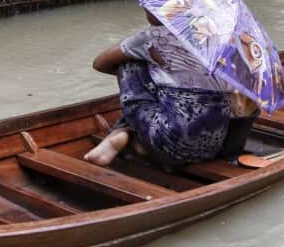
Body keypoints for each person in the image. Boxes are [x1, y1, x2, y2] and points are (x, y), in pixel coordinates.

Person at [84, 11, 256, 167]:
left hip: (168, 142)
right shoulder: (225, 43)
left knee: (130, 63)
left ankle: (125, 134)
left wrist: (152, 69)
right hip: (212, 147)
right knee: (242, 93)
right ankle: (231, 156)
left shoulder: (153, 37)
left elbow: (99, 64)